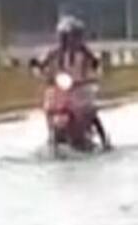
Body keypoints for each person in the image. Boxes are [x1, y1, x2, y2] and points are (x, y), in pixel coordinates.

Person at [35, 16, 110, 150]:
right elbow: (42, 63)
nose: (71, 40)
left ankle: (105, 140)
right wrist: (41, 70)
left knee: (91, 112)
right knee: (49, 107)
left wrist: (94, 74)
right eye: (67, 36)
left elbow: (96, 64)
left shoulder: (84, 52)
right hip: (61, 88)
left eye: (74, 36)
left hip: (79, 88)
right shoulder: (55, 52)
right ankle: (51, 134)